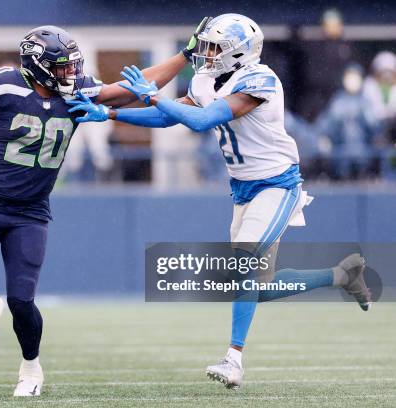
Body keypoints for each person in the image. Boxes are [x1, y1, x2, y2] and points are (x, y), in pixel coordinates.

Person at [67, 13, 371, 389]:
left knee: (245, 264)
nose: (207, 54)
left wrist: (153, 96)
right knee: (258, 285)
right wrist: (111, 112)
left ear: (240, 53)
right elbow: (170, 118)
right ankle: (342, 275)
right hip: (243, 189)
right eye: (207, 46)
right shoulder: (207, 78)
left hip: (276, 184)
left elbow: (202, 120)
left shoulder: (260, 80)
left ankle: (233, 360)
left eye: (216, 47)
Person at [0, 25, 197, 396]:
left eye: (72, 66)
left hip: (30, 213)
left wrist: (184, 55)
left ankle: (31, 369)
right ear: (37, 66)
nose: (70, 73)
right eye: (61, 67)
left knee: (22, 301)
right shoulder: (4, 87)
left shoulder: (78, 92)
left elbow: (133, 89)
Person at [316, 64, 380, 179]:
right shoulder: (338, 100)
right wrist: (323, 137)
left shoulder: (365, 101)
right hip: (341, 152)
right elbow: (325, 124)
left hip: (362, 152)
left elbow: (374, 125)